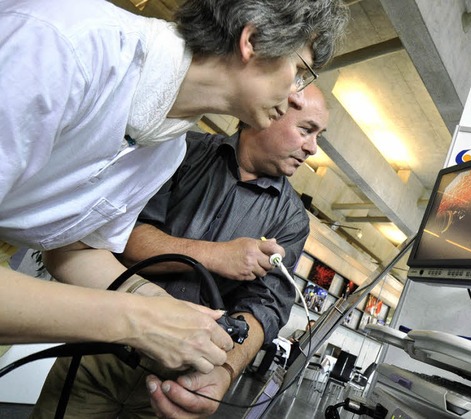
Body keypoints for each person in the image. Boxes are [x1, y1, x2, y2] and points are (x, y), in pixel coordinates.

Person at [0, 0, 348, 380]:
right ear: (253, 40)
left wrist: (166, 310)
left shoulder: (166, 151)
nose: (298, 97)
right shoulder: (69, 45)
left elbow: (73, 252)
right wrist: (138, 321)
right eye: (299, 72)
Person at [32, 85, 330, 418]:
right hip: (101, 350)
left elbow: (266, 307)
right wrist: (216, 255)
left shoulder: (290, 220)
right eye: (306, 130)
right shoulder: (182, 152)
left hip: (182, 382)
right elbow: (118, 239)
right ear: (270, 112)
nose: (312, 148)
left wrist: (223, 372)